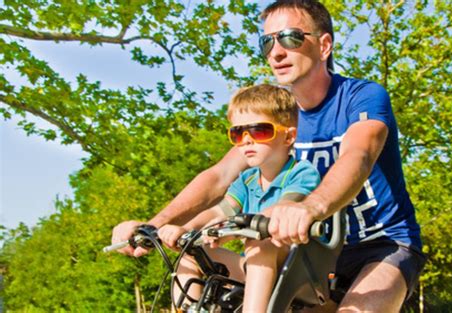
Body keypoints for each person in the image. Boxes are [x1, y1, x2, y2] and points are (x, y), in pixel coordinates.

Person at [112, 1, 426, 311]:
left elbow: (359, 155)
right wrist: (154, 224)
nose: (276, 52)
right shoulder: (276, 116)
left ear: (325, 45)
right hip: (307, 254)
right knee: (193, 259)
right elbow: (220, 176)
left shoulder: (361, 97)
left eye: (290, 38)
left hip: (381, 247)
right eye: (267, 42)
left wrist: (310, 207)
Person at [159, 84, 320, 311]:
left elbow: (283, 207)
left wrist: (233, 229)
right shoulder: (246, 180)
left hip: (295, 269)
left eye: (259, 131)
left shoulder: (301, 173)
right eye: (237, 133)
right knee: (190, 253)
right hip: (254, 266)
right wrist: (186, 228)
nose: (246, 140)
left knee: (261, 244)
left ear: (288, 137)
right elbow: (219, 211)